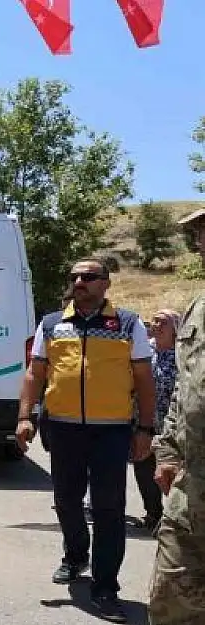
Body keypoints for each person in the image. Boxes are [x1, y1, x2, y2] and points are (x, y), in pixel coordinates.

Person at [16, 257, 156, 623]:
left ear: (106, 284)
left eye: (89, 277)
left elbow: (143, 378)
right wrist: (24, 417)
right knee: (66, 500)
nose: (80, 281)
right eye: (75, 276)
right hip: (62, 428)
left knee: (109, 508)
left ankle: (106, 586)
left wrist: (146, 429)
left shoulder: (128, 323)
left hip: (112, 430)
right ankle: (76, 555)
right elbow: (35, 373)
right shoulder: (51, 324)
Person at [148, 210, 205, 625]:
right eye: (200, 234)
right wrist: (167, 449)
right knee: (171, 601)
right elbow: (184, 388)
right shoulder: (198, 309)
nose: (201, 242)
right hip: (192, 492)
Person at [130, 309, 178, 534]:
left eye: (163, 322)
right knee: (143, 470)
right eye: (155, 320)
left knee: (171, 474)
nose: (156, 325)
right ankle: (153, 514)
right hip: (142, 423)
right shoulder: (143, 350)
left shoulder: (183, 355)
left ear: (176, 329)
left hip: (172, 427)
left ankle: (174, 520)